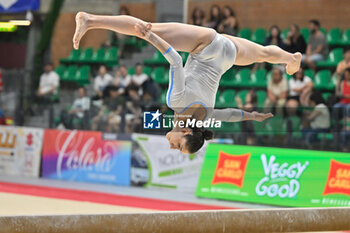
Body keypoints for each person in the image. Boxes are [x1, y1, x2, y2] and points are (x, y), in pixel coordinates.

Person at [73, 12, 302, 154]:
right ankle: (90, 19)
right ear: (185, 130)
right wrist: (151, 37)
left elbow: (231, 114)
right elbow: (174, 59)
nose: (172, 146)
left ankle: (291, 59)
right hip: (206, 46)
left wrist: (253, 116)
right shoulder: (176, 103)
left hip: (227, 56)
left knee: (263, 53)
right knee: (145, 28)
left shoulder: (206, 118)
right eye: (179, 145)